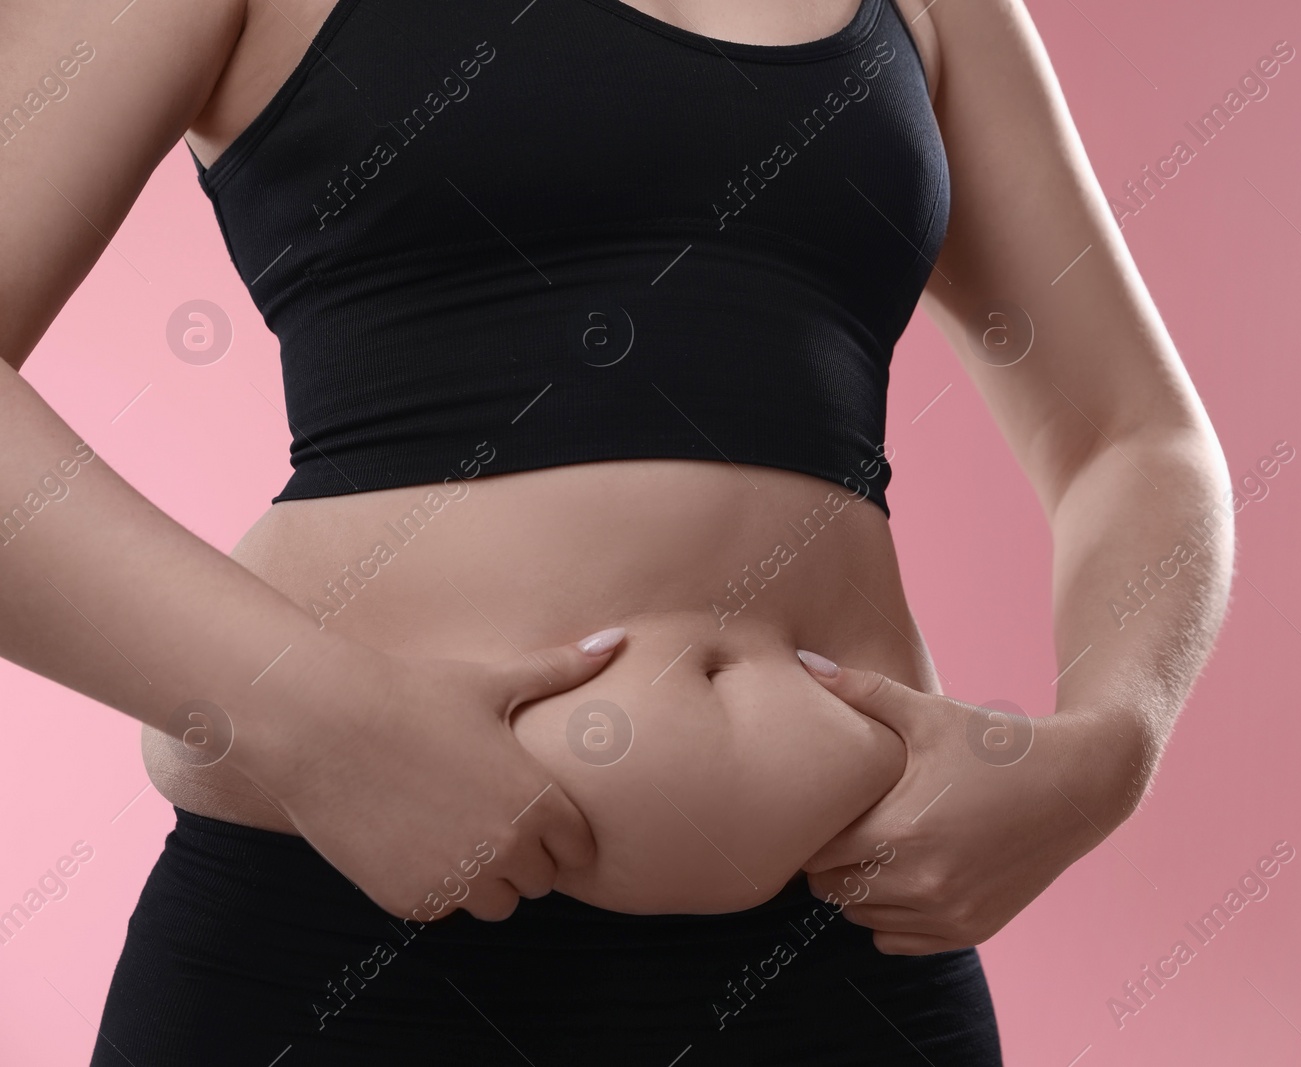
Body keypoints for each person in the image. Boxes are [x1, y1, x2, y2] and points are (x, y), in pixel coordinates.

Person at [0, 0, 1234, 1062]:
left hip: (844, 955)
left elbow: (1131, 437)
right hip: (341, 944)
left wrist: (1107, 747)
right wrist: (314, 717)